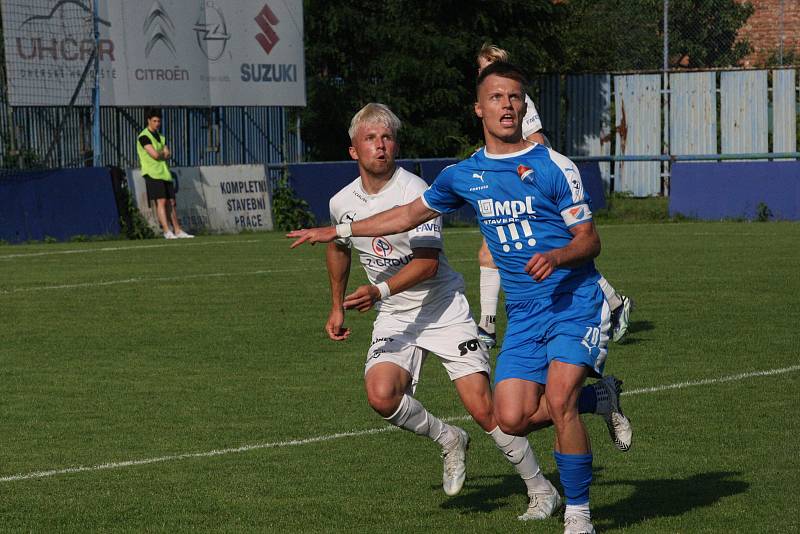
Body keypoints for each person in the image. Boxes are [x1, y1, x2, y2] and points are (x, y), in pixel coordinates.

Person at [289, 63, 630, 534]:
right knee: (510, 417)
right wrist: (340, 230)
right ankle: (598, 399)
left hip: (572, 300)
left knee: (558, 398)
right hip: (525, 313)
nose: (507, 105)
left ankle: (578, 515)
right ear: (479, 109)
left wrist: (558, 255)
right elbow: (405, 216)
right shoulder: (463, 174)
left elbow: (590, 241)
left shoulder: (554, 166)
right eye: (496, 97)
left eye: (515, 98)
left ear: (523, 107)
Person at [323, 102, 563, 520]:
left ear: (395, 145)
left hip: (443, 309)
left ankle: (541, 489)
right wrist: (335, 307)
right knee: (381, 397)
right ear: (353, 151)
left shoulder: (416, 190)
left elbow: (428, 263)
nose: (380, 146)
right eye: (370, 139)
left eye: (387, 138)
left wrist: (377, 290)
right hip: (396, 313)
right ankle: (449, 438)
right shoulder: (341, 201)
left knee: (485, 408)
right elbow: (338, 247)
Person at [473, 44, 632, 349]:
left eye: (490, 65)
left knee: (553, 249)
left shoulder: (515, 98)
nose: (484, 71)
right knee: (498, 251)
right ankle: (614, 302)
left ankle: (487, 329)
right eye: (482, 67)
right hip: (507, 186)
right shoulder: (487, 97)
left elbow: (535, 141)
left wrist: (522, 178)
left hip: (532, 188)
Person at [136, 108, 193, 239]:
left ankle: (178, 230)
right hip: (152, 173)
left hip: (164, 172)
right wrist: (163, 154)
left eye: (159, 121)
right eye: (154, 121)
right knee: (161, 201)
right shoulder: (144, 137)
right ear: (148, 121)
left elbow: (168, 153)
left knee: (172, 202)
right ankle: (167, 231)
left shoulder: (161, 137)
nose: (157, 123)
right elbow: (155, 154)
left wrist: (164, 154)